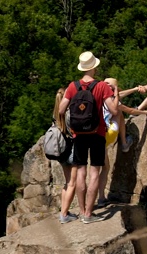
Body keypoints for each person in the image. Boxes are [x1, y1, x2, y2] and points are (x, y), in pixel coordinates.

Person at [58, 51, 118, 224]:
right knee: (94, 173)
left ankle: (82, 209)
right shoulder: (102, 87)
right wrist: (116, 94)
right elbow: (113, 111)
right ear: (95, 67)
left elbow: (61, 110)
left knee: (81, 173)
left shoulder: (72, 86)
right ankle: (88, 215)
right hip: (97, 133)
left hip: (79, 135)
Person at [96, 78, 147, 208]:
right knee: (119, 113)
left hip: (97, 136)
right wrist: (146, 112)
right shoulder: (113, 101)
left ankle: (100, 199)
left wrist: (133, 89)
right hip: (109, 134)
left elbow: (119, 95)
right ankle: (124, 142)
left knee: (103, 169)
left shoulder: (99, 96)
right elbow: (131, 111)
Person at [53, 87, 79, 224]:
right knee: (72, 183)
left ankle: (64, 211)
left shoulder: (56, 115)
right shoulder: (70, 114)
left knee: (67, 182)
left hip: (61, 151)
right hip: (72, 149)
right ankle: (64, 215)